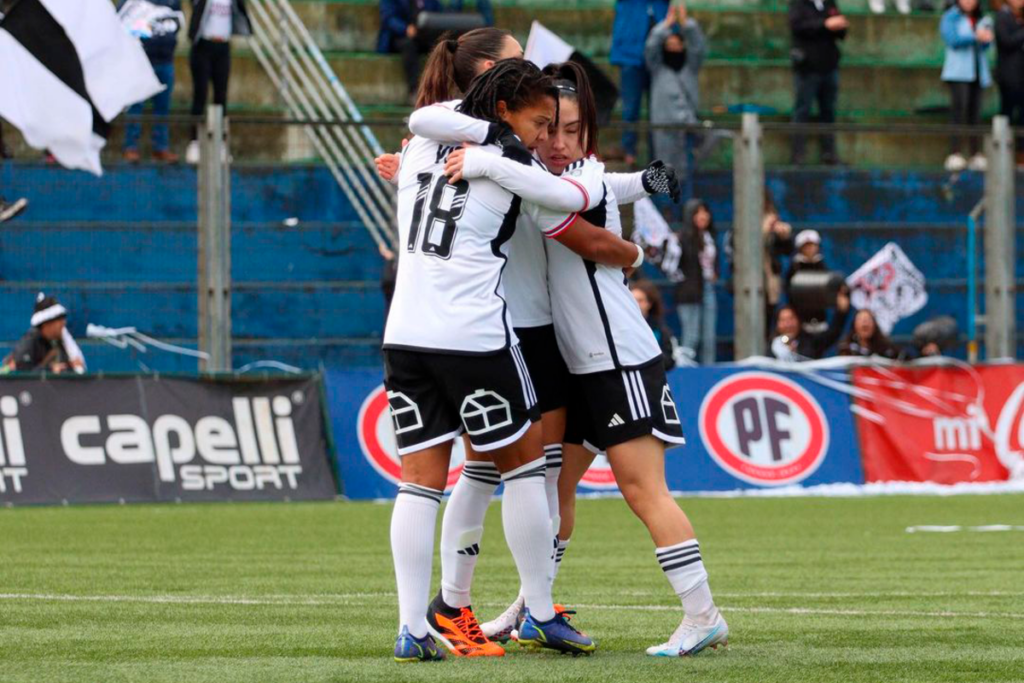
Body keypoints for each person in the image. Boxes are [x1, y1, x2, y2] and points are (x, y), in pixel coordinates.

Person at [446, 63, 727, 658]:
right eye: (549, 128)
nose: (557, 141)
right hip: (581, 363)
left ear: (586, 136)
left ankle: (702, 615)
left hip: (619, 358)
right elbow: (615, 192)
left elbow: (595, 234)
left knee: (642, 490)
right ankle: (533, 606)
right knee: (553, 490)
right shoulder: (559, 175)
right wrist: (646, 185)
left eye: (571, 130)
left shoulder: (572, 181)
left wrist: (633, 246)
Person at [385, 57, 648, 662]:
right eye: (537, 121)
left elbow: (421, 114)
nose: (543, 136)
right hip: (474, 337)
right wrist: (496, 153)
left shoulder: (428, 139)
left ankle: (412, 628)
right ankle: (542, 611)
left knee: (420, 484)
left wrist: (481, 140)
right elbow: (566, 195)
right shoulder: (512, 162)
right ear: (503, 109)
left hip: (405, 335)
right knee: (529, 470)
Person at [184, 0, 252, 164]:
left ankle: (220, 143)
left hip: (222, 47)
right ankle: (195, 142)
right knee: (200, 95)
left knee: (221, 97)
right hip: (203, 46)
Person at [645, 1, 707, 180]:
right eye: (669, 45)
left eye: (677, 45)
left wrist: (686, 24)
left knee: (687, 176)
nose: (673, 48)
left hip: (688, 129)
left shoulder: (690, 68)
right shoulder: (658, 69)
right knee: (664, 175)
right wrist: (665, 25)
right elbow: (651, 48)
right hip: (663, 129)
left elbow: (698, 47)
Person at [120, 0, 182, 163]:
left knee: (162, 107)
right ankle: (130, 147)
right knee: (135, 105)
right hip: (140, 60)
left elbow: (177, 21)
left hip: (165, 61)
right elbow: (120, 21)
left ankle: (160, 147)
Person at [789, 0, 848, 165]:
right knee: (802, 111)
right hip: (807, 68)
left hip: (829, 66)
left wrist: (839, 26)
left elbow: (840, 29)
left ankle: (829, 153)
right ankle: (798, 154)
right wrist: (825, 24)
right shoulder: (799, 3)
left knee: (828, 112)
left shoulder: (829, 3)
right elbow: (797, 26)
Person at [611, 0, 670, 166]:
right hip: (630, 55)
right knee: (630, 110)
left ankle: (657, 158)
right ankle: (628, 153)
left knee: (658, 112)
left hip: (660, 59)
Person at [940, 0, 993, 172]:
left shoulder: (982, 17)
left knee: (975, 114)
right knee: (959, 112)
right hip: (958, 73)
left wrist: (986, 39)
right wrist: (975, 36)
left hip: (977, 72)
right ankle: (954, 153)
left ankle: (975, 154)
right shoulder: (950, 17)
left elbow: (986, 45)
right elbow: (952, 40)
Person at [675, 198, 717, 365]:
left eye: (705, 212)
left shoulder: (709, 236)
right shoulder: (683, 237)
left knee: (709, 337)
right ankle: (686, 372)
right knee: (691, 335)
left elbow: (712, 261)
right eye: (698, 212)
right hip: (689, 291)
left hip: (708, 288)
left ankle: (710, 371)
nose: (703, 216)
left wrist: (714, 273)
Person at [2, 294, 86, 374]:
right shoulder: (31, 340)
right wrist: (50, 370)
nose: (63, 323)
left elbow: (65, 367)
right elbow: (21, 370)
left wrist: (71, 367)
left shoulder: (58, 342)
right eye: (59, 320)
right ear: (46, 324)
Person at [769, 290, 850, 361]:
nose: (788, 324)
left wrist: (841, 312)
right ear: (777, 325)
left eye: (791, 319)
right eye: (783, 320)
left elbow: (833, 333)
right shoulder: (771, 347)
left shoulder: (811, 342)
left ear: (799, 321)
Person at [783, 229, 830, 332]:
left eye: (812, 245)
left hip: (820, 317)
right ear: (800, 248)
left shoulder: (822, 266)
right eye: (806, 246)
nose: (810, 249)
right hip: (800, 318)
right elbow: (788, 290)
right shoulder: (795, 267)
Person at [995, 0, 1024, 166]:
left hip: (1021, 77)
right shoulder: (1002, 17)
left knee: (1022, 118)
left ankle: (1020, 157)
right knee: (1006, 115)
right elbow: (1006, 41)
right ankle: (1002, 156)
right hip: (1008, 77)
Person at [631, 280, 676, 370]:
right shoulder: (618, 327)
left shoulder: (660, 329)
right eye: (632, 300)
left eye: (640, 300)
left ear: (649, 304)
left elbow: (669, 361)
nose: (635, 304)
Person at [837, 309, 902, 359]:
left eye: (868, 319)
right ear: (854, 326)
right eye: (861, 319)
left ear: (875, 326)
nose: (865, 322)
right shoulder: (847, 349)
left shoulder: (887, 349)